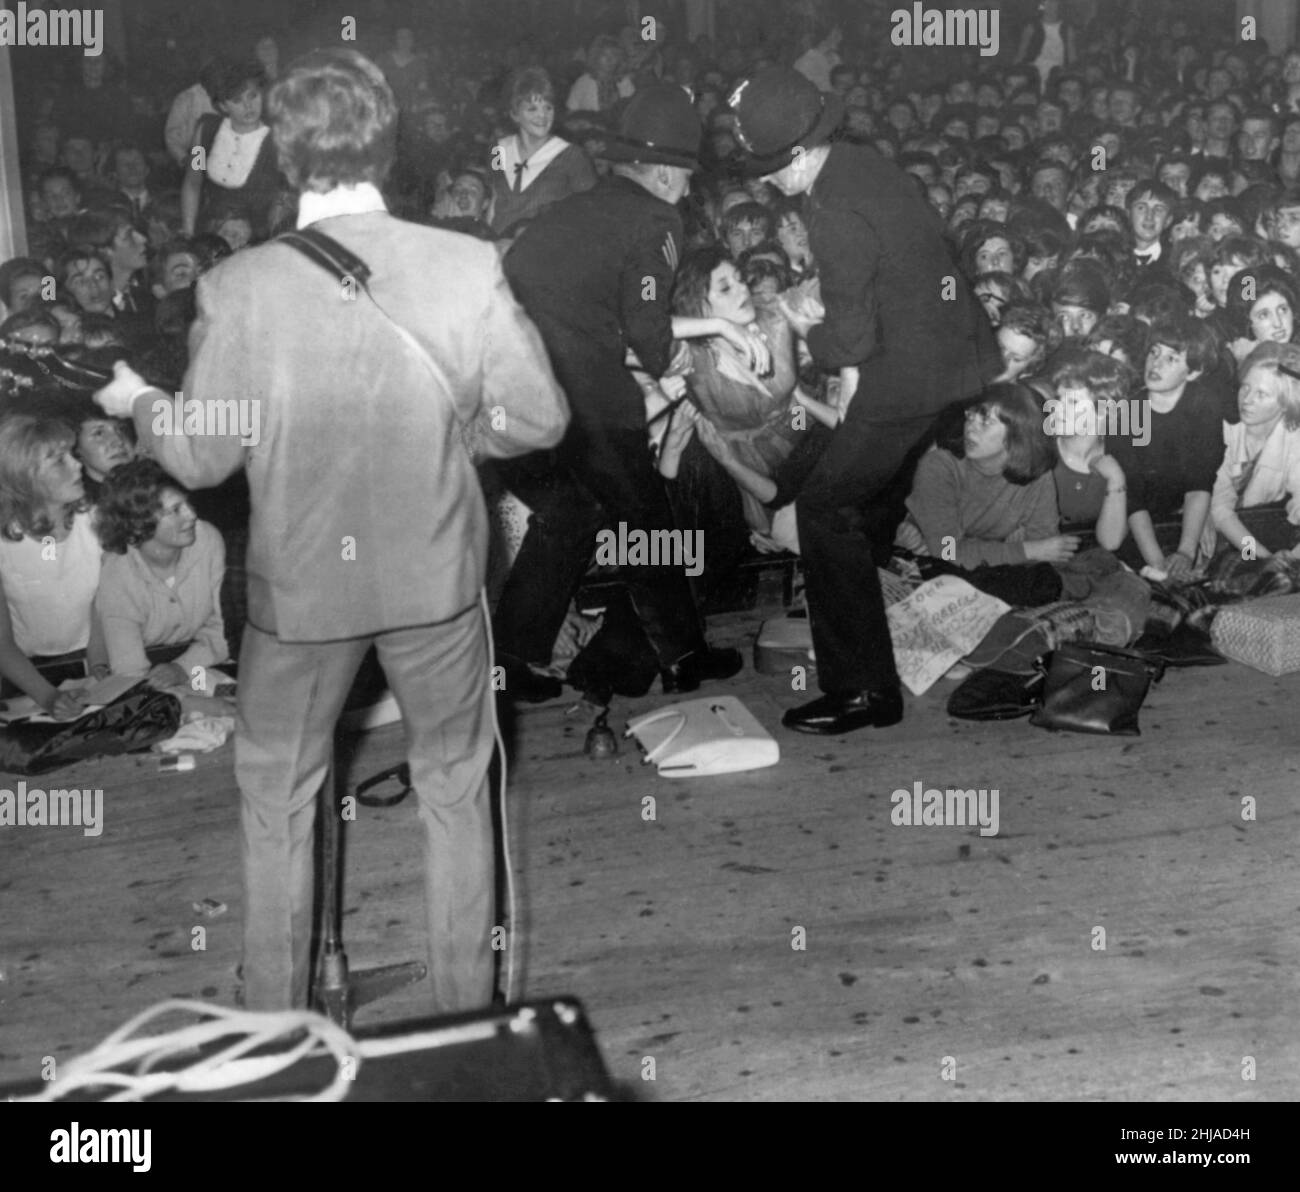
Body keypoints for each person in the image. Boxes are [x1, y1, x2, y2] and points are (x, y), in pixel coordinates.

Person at [95, 48, 569, 1014]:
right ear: (389, 146)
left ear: (282, 153)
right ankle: (466, 1029)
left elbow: (201, 457)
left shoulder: (242, 285)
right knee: (455, 790)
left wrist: (138, 400)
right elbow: (539, 419)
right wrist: (453, 439)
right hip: (436, 583)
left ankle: (279, 1030)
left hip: (302, 595)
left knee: (277, 801)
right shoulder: (465, 263)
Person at [730, 67, 1001, 734]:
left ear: (798, 155)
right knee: (866, 506)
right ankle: (877, 629)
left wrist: (801, 321)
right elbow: (894, 267)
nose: (766, 183)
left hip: (905, 376)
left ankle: (862, 691)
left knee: (823, 512)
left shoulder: (834, 213)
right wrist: (827, 298)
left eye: (769, 168)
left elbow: (847, 343)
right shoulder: (861, 165)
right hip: (950, 360)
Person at [493, 83, 747, 703]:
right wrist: (678, 362)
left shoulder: (576, 209)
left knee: (571, 512)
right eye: (685, 176)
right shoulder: (656, 218)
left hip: (512, 387)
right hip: (587, 395)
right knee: (649, 521)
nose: (687, 188)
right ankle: (683, 658)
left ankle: (513, 661)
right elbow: (646, 324)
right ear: (663, 173)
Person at [897, 383, 1069, 569]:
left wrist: (1026, 550)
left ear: (1019, 434)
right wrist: (1025, 551)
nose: (970, 428)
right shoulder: (939, 466)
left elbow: (1048, 549)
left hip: (985, 567)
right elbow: (947, 551)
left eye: (986, 422)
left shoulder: (1036, 473)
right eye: (971, 416)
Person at [0, 414, 105, 715]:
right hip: (25, 679)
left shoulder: (98, 521)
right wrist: (48, 697)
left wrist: (100, 672)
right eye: (59, 460)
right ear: (23, 477)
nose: (77, 465)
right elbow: (2, 644)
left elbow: (103, 611)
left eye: (71, 454)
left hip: (93, 666)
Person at [93, 458, 228, 683]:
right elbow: (129, 670)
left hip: (203, 660)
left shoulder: (207, 539)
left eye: (187, 503)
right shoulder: (117, 574)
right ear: (138, 524)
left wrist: (184, 667)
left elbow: (225, 626)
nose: (191, 515)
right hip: (143, 674)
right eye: (175, 510)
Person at [488, 68, 596, 238]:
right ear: (515, 114)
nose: (542, 116)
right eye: (532, 109)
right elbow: (495, 198)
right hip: (499, 242)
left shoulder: (572, 155)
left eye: (548, 108)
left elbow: (589, 212)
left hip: (545, 245)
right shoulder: (498, 150)